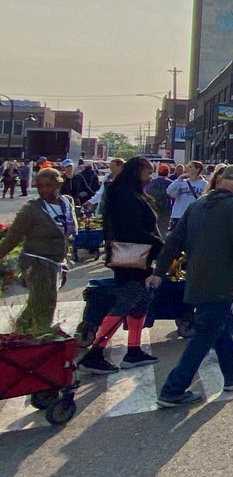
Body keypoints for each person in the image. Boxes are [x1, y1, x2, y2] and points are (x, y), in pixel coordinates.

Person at [150, 164, 233, 406]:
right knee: (206, 334)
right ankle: (173, 389)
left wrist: (159, 270)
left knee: (223, 324)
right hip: (220, 281)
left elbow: (173, 240)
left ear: (219, 180)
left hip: (196, 277)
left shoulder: (197, 204)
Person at [80, 155, 161, 374]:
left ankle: (133, 350)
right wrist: (158, 243)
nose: (150, 176)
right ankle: (95, 352)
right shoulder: (126, 196)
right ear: (137, 172)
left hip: (134, 255)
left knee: (140, 302)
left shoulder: (126, 192)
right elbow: (132, 229)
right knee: (127, 302)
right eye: (147, 172)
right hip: (131, 257)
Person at [0, 168, 74, 333]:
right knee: (45, 304)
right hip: (36, 261)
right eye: (40, 186)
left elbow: (67, 234)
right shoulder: (32, 209)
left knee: (36, 303)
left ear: (58, 184)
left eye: (49, 185)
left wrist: (65, 261)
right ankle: (41, 339)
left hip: (56, 261)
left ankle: (18, 336)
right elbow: (13, 237)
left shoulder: (67, 203)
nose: (45, 190)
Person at [166, 160, 207, 228]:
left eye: (190, 167)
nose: (187, 169)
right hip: (179, 215)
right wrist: (179, 179)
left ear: (197, 169)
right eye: (187, 167)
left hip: (194, 215)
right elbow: (169, 191)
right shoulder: (181, 182)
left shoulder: (204, 184)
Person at [145, 163, 174, 239]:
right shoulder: (171, 183)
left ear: (158, 172)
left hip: (153, 208)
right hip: (166, 209)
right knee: (164, 229)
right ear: (168, 172)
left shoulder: (151, 183)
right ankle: (163, 244)